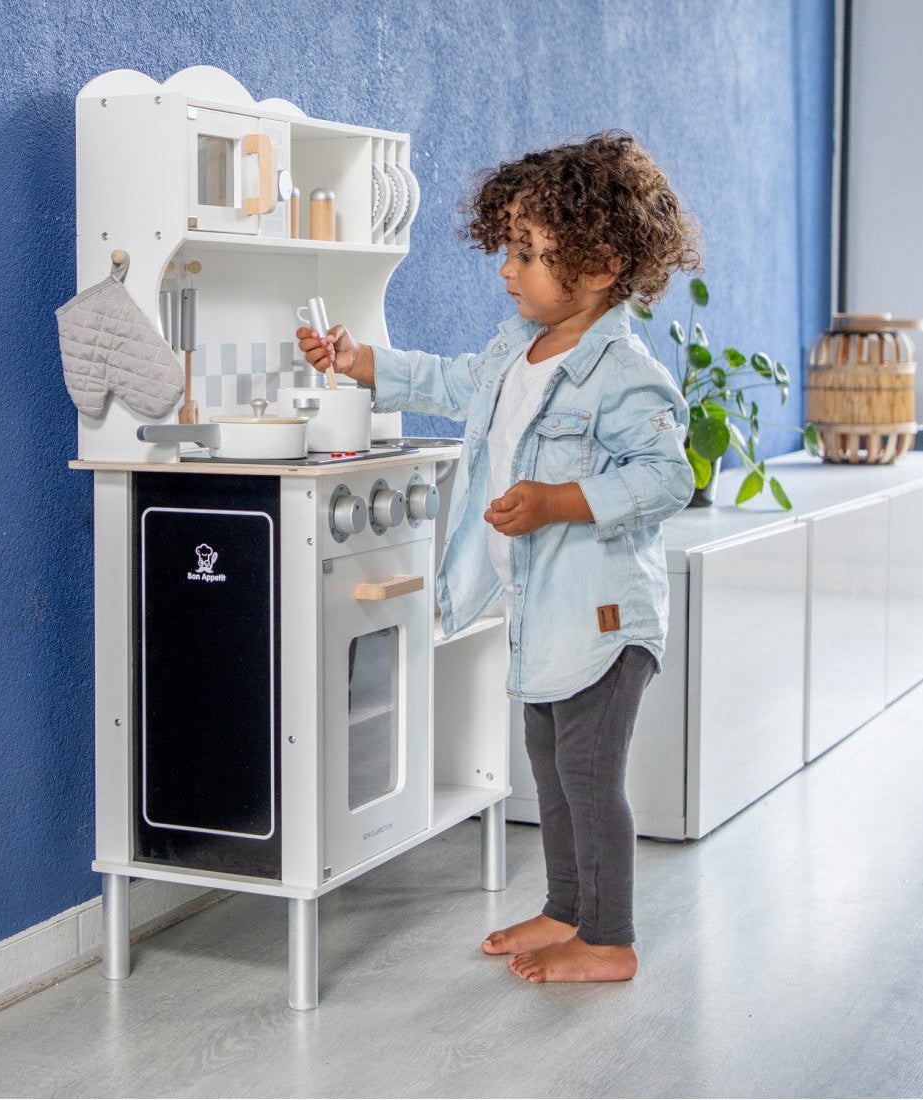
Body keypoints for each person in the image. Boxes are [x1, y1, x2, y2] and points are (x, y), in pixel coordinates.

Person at [298, 131, 699, 983]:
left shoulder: (621, 372)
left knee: (589, 777)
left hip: (604, 617)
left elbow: (668, 477)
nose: (507, 270)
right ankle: (566, 908)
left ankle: (610, 940)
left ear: (600, 266)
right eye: (507, 249)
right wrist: (361, 363)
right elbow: (453, 384)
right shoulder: (517, 349)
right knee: (549, 770)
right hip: (544, 613)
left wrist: (557, 502)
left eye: (526, 253)